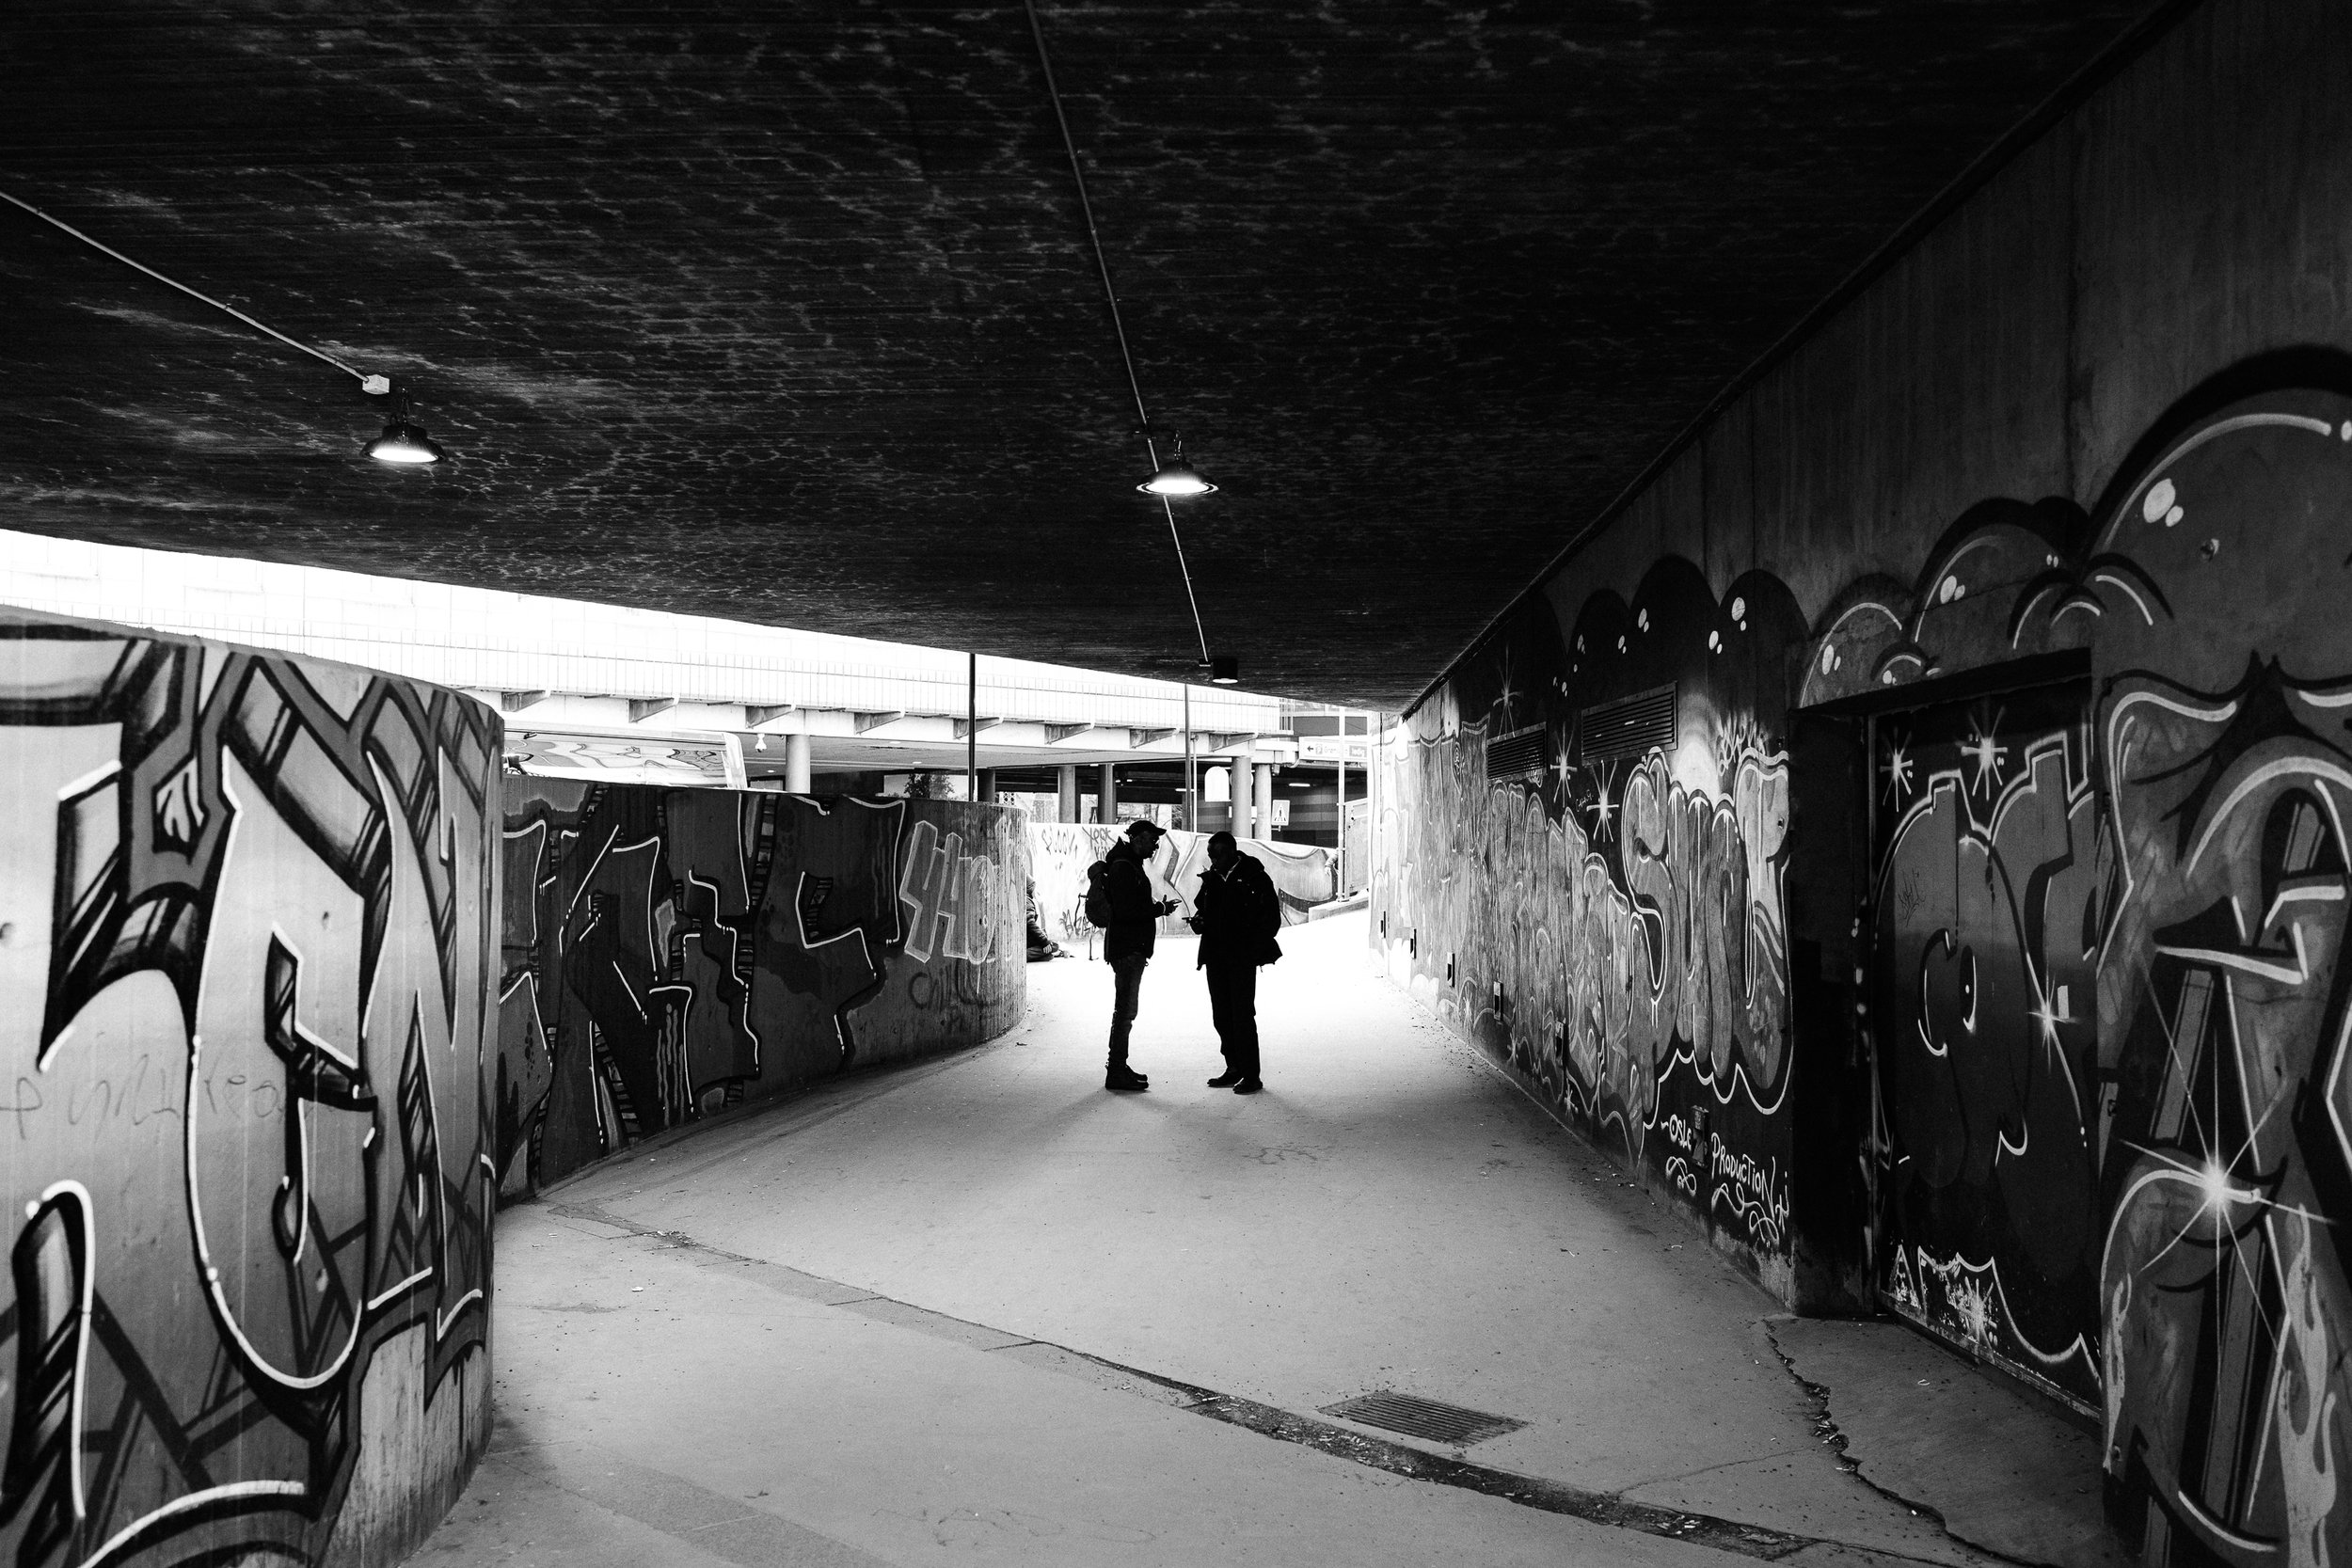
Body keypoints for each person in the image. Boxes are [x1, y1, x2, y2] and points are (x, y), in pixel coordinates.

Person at [1189, 831, 1281, 1094]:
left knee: (1242, 1016)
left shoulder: (1255, 877)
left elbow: (1271, 920)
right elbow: (1203, 911)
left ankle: (1252, 1075)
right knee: (1222, 1016)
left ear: (1231, 852)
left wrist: (1251, 946)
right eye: (1210, 856)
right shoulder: (1212, 879)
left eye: (1216, 855)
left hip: (1241, 959)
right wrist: (1200, 923)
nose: (1212, 860)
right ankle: (1234, 1068)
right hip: (1215, 957)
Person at [1095, 820, 1177, 1092]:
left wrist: (1158, 907)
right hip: (1127, 949)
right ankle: (1116, 1070)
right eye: (1152, 839)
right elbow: (1128, 911)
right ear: (1137, 839)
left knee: (1126, 1010)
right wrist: (1158, 909)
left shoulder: (1129, 864)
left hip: (1130, 948)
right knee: (1125, 1012)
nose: (1155, 845)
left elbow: (1132, 905)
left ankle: (1119, 1066)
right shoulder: (1123, 867)